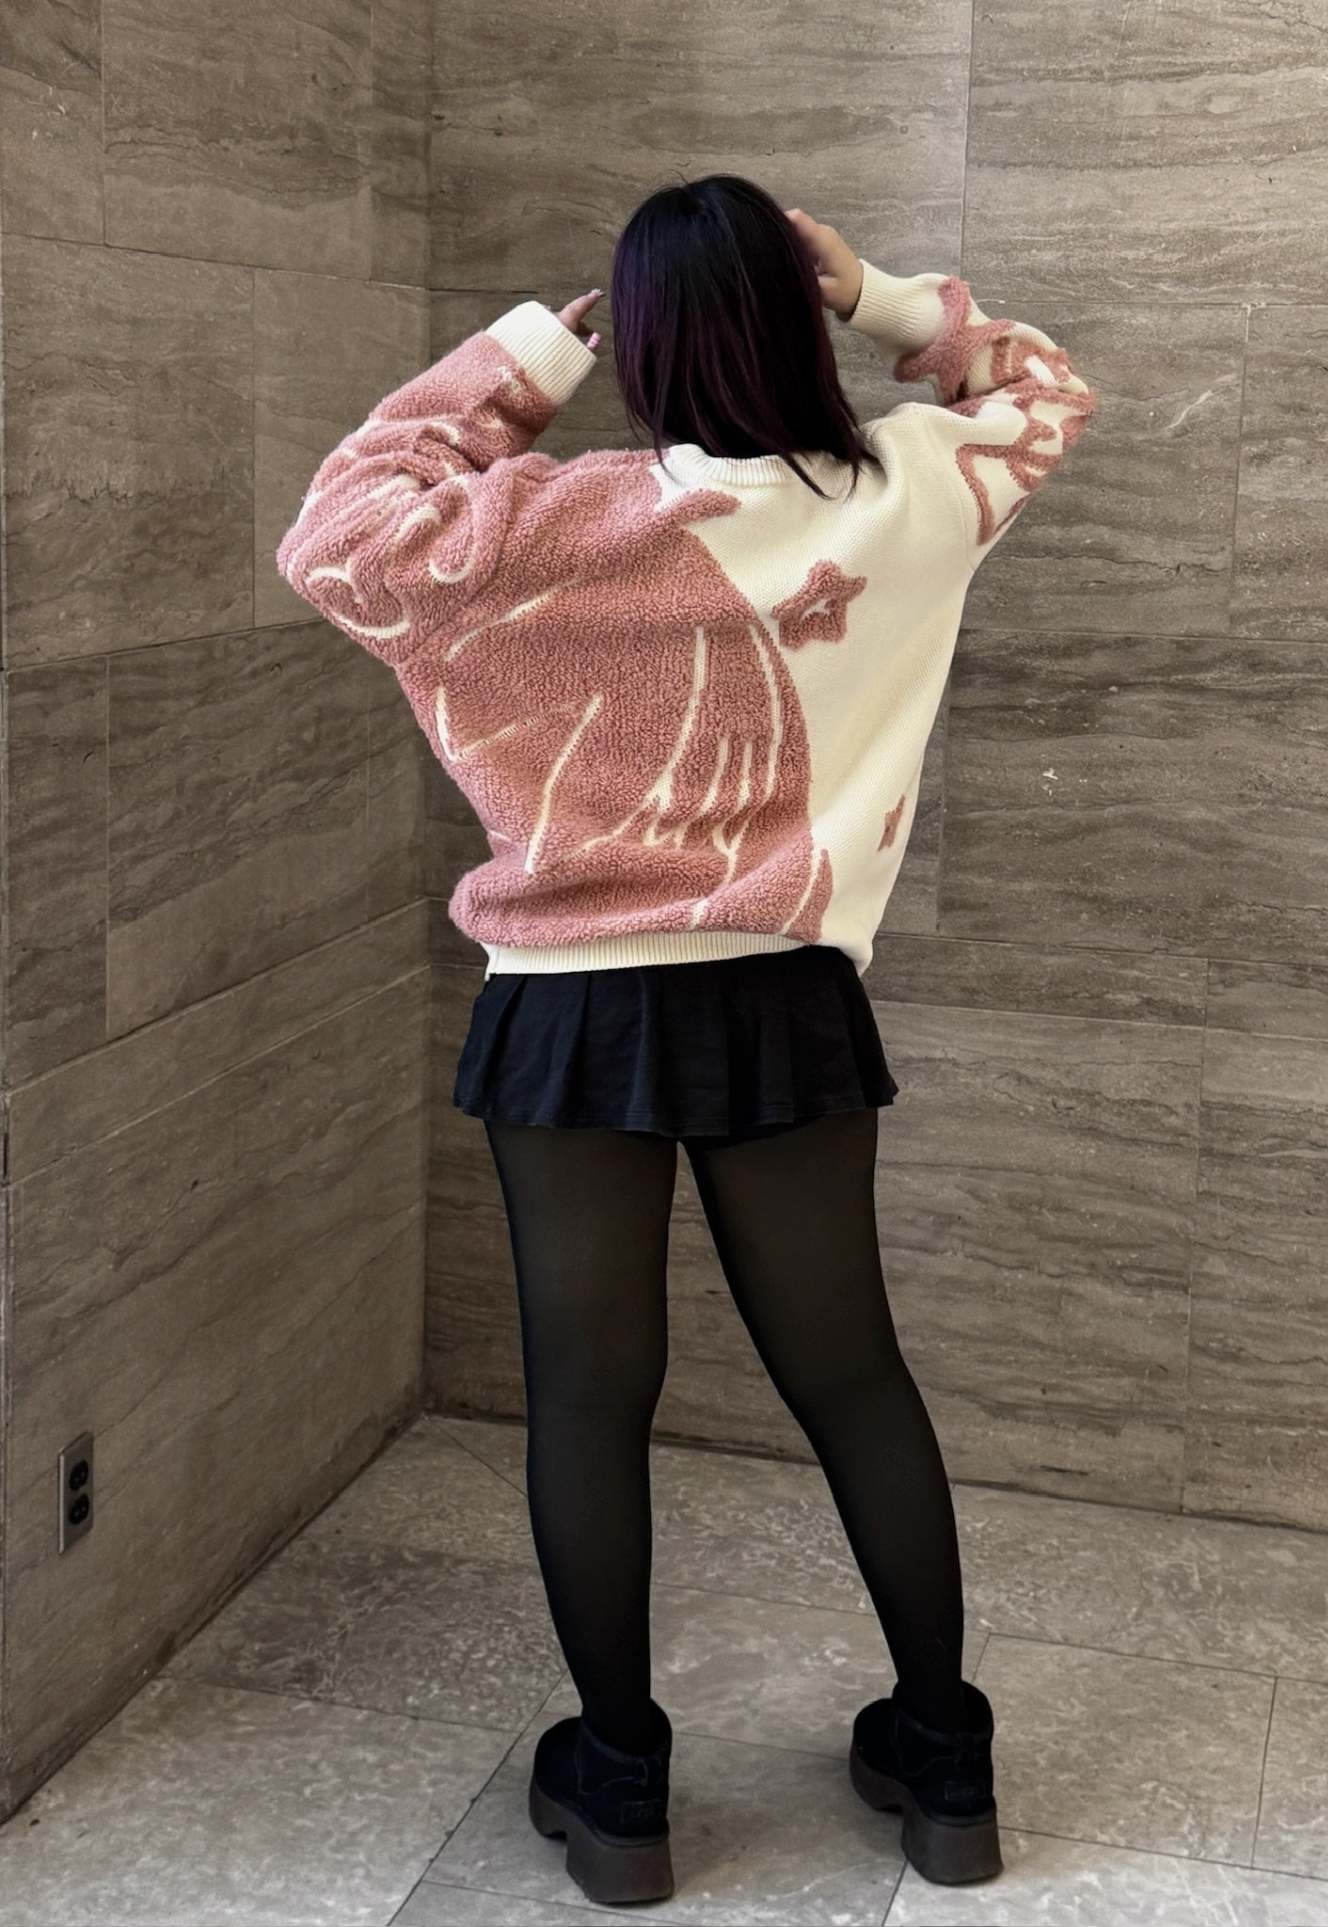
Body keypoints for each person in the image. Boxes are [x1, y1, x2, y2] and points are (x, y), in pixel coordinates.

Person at [277, 173, 1096, 1908]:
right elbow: (1042, 390)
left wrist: (523, 357)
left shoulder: (548, 520)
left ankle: (622, 1790)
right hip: (780, 994)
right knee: (851, 1374)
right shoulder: (906, 494)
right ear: (793, 319)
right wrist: (880, 297)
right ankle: (943, 1760)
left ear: (641, 343)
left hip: (568, 1011)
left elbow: (337, 529)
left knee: (589, 1396)